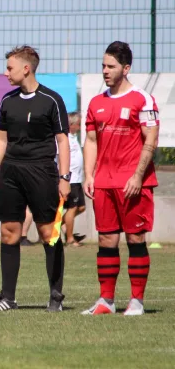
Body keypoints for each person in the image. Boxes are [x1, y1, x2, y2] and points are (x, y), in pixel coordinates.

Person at [0, 45, 70, 312]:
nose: (5, 72)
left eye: (9, 68)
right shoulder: (7, 101)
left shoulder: (51, 100)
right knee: (9, 232)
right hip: (11, 171)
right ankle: (7, 298)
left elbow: (62, 140)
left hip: (41, 171)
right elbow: (1, 139)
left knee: (48, 233)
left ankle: (55, 296)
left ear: (26, 68)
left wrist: (64, 177)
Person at [81, 41, 158, 316]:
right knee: (106, 241)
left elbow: (151, 138)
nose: (105, 70)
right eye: (103, 65)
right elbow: (91, 140)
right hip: (104, 183)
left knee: (135, 239)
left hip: (133, 183)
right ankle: (106, 301)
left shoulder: (143, 99)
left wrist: (138, 176)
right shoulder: (96, 102)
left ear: (126, 69)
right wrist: (89, 175)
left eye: (111, 66)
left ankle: (136, 301)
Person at [62, 112, 86, 247]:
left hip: (77, 179)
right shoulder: (64, 138)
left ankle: (55, 225)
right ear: (72, 125)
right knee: (72, 208)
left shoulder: (74, 137)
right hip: (70, 180)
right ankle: (70, 239)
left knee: (81, 208)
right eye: (78, 124)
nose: (80, 126)